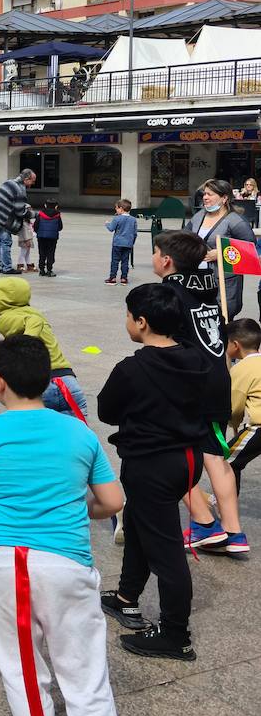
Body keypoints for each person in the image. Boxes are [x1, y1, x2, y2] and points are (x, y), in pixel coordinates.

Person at [0, 336, 122, 716]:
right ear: (48, 382)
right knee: (86, 673)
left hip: (8, 563)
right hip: (70, 561)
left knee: (23, 671)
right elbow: (112, 501)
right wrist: (78, 508)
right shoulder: (80, 434)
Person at [99, 283, 210, 661]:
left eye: (129, 315)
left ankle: (175, 634)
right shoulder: (197, 359)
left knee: (166, 551)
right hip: (187, 460)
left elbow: (107, 411)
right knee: (140, 523)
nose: (127, 321)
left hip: (152, 464)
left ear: (142, 322)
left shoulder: (133, 368)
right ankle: (128, 597)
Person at [151, 230, 244, 553]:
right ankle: (234, 532)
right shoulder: (210, 286)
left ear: (166, 260)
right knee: (215, 458)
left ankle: (204, 523)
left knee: (168, 453)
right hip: (218, 379)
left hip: (186, 383)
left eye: (154, 253)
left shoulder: (167, 293)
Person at [0, 275, 89, 419]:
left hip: (42, 384)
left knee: (37, 434)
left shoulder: (5, 319)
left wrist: (27, 344)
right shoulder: (34, 312)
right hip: (67, 381)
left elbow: (33, 322)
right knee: (74, 434)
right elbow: (34, 319)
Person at [186, 178, 256, 318]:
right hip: (197, 280)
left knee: (221, 321)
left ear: (224, 198)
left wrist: (222, 253)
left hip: (223, 283)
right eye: (204, 194)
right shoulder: (199, 216)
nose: (205, 197)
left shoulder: (235, 221)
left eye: (210, 194)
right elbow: (185, 237)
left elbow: (250, 249)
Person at [225, 318, 261, 509]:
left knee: (227, 462)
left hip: (259, 427)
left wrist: (233, 422)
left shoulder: (240, 369)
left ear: (235, 345)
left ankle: (227, 505)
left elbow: (235, 407)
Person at [0, 169, 34, 276]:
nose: (33, 184)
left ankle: (3, 265)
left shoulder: (9, 182)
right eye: (32, 181)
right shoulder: (20, 189)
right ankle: (7, 268)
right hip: (2, 218)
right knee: (6, 242)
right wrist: (34, 214)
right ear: (26, 179)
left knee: (0, 241)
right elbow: (20, 211)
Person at [105, 199, 138, 285]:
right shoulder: (133, 219)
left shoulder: (117, 218)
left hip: (117, 243)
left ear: (121, 208)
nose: (116, 210)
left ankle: (112, 278)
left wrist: (107, 223)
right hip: (128, 244)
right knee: (125, 261)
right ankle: (124, 278)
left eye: (116, 208)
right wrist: (132, 243)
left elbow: (111, 228)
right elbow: (135, 233)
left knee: (115, 261)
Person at [35, 200, 63, 277]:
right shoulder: (57, 215)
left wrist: (38, 232)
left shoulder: (40, 214)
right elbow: (60, 227)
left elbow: (35, 226)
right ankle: (49, 270)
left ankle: (41, 270)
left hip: (41, 237)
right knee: (50, 253)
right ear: (56, 206)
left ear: (45, 205)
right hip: (52, 237)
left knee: (42, 253)